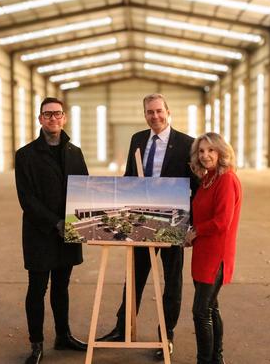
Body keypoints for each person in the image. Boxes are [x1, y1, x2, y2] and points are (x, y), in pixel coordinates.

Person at [97, 93, 198, 360]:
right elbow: (130, 177)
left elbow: (196, 188)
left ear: (168, 111)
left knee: (172, 281)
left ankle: (167, 336)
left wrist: (193, 227)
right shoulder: (137, 140)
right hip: (140, 221)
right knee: (134, 277)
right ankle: (123, 329)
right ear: (145, 115)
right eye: (149, 112)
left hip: (174, 221)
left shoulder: (187, 144)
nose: (155, 116)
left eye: (158, 111)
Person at [15, 97, 89, 364]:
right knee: (37, 288)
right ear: (40, 119)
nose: (53, 118)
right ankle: (36, 344)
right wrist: (55, 223)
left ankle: (63, 336)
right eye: (47, 114)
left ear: (64, 118)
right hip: (40, 232)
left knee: (62, 287)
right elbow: (27, 199)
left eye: (57, 114)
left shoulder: (75, 152)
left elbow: (86, 190)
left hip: (69, 230)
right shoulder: (25, 155)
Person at [184, 132, 242, 364]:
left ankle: (204, 360)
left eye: (211, 150)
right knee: (210, 308)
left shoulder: (227, 179)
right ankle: (216, 358)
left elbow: (222, 221)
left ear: (221, 152)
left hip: (216, 254)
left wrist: (195, 232)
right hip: (202, 251)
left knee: (200, 312)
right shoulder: (208, 179)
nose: (206, 155)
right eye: (201, 151)